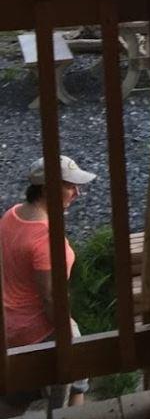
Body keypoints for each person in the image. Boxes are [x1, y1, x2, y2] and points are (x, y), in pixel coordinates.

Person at [2, 156, 96, 416]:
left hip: (9, 326)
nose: (77, 192)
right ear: (47, 190)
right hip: (38, 331)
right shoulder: (46, 239)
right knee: (76, 384)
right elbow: (51, 300)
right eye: (70, 186)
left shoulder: (13, 215)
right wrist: (67, 338)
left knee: (14, 399)